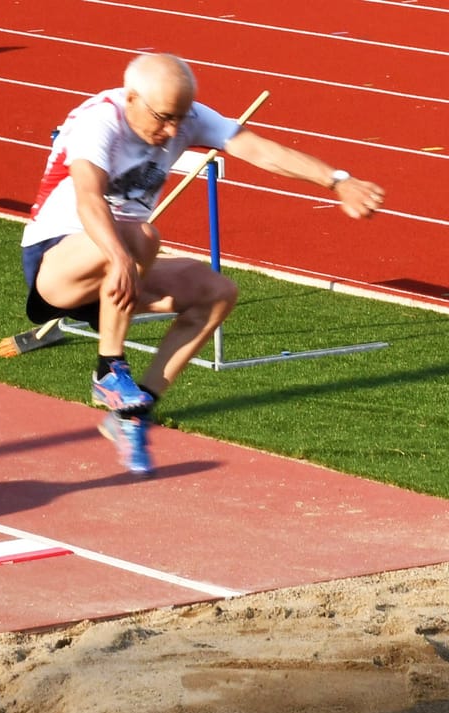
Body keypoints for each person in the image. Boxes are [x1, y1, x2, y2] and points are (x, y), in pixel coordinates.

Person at [21, 52, 385, 475]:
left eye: (180, 118)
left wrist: (338, 181)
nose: (174, 130)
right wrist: (118, 256)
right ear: (132, 98)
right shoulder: (100, 121)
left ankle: (133, 415)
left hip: (123, 268)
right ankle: (109, 370)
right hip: (58, 262)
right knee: (141, 236)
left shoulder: (186, 116)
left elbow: (260, 150)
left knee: (216, 294)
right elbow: (88, 197)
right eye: (163, 118)